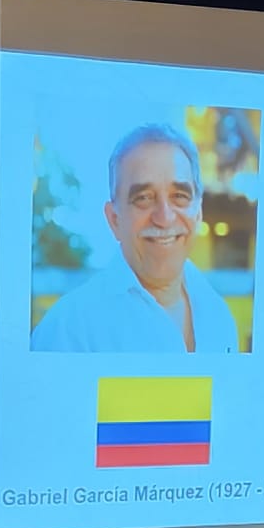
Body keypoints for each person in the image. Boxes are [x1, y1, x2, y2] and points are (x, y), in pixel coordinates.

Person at [31, 123, 240, 354]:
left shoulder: (219, 317)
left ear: (198, 213)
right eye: (143, 198)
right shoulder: (67, 330)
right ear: (114, 220)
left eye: (179, 196)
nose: (164, 217)